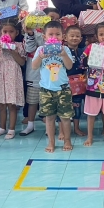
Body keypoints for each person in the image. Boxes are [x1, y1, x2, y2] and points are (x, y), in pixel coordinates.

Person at [31, 21, 75, 153]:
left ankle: (67, 140)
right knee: (49, 118)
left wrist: (63, 54)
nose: (54, 37)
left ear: (63, 36)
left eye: (57, 34)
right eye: (51, 34)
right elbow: (34, 66)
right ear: (44, 37)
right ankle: (51, 142)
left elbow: (69, 66)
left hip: (63, 89)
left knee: (65, 117)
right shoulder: (40, 49)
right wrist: (40, 57)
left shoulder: (65, 49)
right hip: (46, 90)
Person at [20, 8, 59, 136]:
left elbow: (46, 45)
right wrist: (30, 34)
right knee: (32, 100)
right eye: (51, 17)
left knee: (49, 100)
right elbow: (29, 48)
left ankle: (49, 127)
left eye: (56, 18)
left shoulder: (53, 33)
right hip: (34, 70)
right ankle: (30, 125)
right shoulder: (29, 32)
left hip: (49, 71)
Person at [0, 20, 26, 140]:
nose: (8, 34)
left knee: (12, 104)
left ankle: (11, 129)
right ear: (0, 32)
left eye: (11, 32)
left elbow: (22, 62)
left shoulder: (19, 45)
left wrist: (12, 51)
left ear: (16, 33)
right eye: (5, 31)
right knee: (1, 104)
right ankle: (2, 128)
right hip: (0, 75)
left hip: (13, 76)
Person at [64, 25, 87, 137]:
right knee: (64, 107)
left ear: (81, 38)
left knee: (77, 106)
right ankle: (62, 131)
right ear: (65, 37)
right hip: (65, 84)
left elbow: (86, 66)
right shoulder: (63, 51)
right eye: (72, 36)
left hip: (79, 85)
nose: (74, 38)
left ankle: (76, 128)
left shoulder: (83, 52)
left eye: (77, 36)